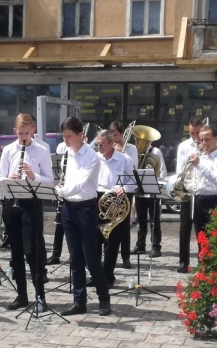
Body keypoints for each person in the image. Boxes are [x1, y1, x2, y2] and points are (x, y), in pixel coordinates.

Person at [0, 113, 54, 311]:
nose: (23, 137)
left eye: (27, 133)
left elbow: (50, 179)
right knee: (17, 252)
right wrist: (9, 178)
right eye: (20, 133)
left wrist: (32, 174)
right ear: (15, 131)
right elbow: (0, 177)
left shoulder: (42, 149)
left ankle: (40, 296)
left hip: (31, 204)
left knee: (32, 252)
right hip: (11, 204)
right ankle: (21, 295)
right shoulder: (8, 150)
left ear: (34, 131)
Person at [57, 117, 111, 317]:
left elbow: (80, 183)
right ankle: (79, 301)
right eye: (64, 136)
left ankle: (104, 298)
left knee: (91, 257)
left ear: (81, 135)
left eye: (69, 136)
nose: (66, 140)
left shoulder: (91, 156)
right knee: (75, 257)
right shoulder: (66, 153)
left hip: (86, 208)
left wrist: (59, 191)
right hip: (68, 208)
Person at [184, 125, 217, 273]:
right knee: (200, 238)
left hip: (214, 200)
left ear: (216, 138)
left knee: (215, 239)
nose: (204, 143)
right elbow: (195, 179)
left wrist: (199, 164)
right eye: (201, 140)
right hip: (198, 199)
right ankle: (203, 271)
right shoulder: (200, 157)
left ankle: (215, 272)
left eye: (207, 139)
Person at [95, 130, 135, 285]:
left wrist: (123, 188)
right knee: (95, 241)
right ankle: (97, 275)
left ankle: (108, 276)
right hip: (98, 199)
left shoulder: (124, 159)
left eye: (102, 144)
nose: (99, 147)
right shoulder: (96, 158)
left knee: (112, 242)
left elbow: (133, 182)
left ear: (111, 143)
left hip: (116, 201)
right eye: (97, 144)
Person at [176, 117, 204, 273]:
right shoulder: (184, 146)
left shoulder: (208, 144)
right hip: (187, 188)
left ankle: (202, 260)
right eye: (192, 133)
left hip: (201, 189)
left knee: (200, 226)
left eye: (197, 132)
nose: (195, 136)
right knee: (184, 225)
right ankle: (183, 261)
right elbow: (180, 168)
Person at [134, 134, 167, 258]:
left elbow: (162, 170)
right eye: (138, 139)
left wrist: (156, 182)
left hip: (153, 190)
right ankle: (140, 245)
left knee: (154, 220)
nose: (139, 142)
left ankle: (156, 246)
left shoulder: (156, 151)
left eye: (142, 140)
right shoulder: (135, 152)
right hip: (139, 190)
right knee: (140, 219)